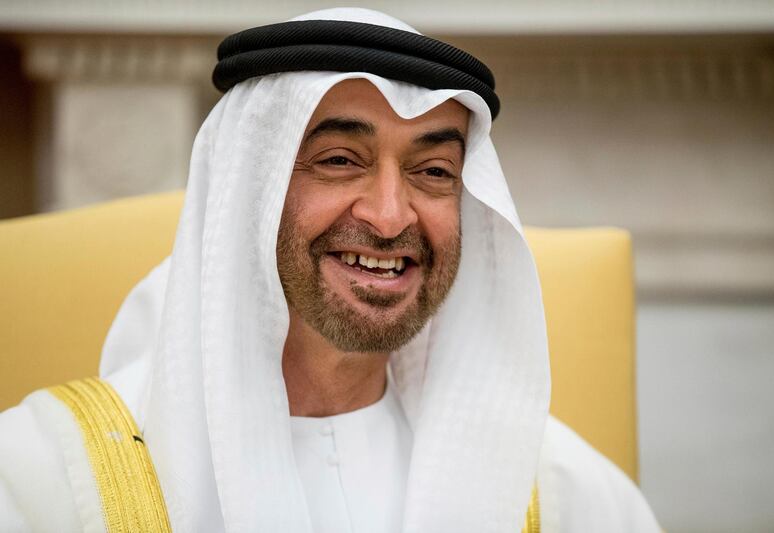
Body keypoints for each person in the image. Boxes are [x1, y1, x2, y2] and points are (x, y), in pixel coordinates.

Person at [0, 8, 660, 533]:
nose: (388, 214)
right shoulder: (49, 476)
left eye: (434, 172)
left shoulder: (553, 490)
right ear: (250, 194)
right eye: (340, 159)